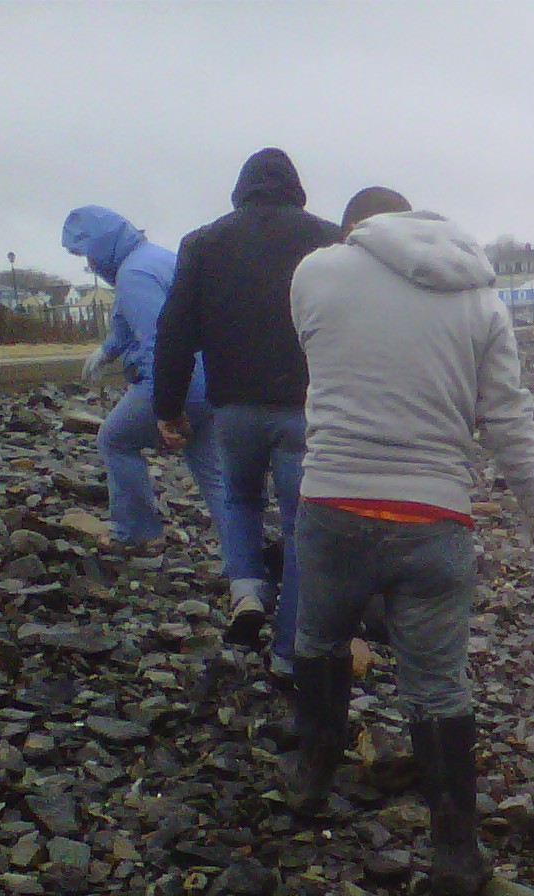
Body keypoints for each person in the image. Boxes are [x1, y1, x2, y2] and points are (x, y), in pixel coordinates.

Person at [286, 187, 534, 896]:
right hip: (434, 513)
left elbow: (317, 359)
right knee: (438, 684)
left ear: (359, 229)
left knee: (318, 637)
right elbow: (507, 419)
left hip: (334, 500)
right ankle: (455, 851)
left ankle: (312, 777)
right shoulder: (481, 301)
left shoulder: (316, 272)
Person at [154, 148, 341, 675]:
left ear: (242, 189)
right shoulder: (327, 239)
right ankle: (288, 653)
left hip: (233, 408)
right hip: (304, 410)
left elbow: (173, 332)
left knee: (239, 499)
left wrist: (168, 406)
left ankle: (248, 590)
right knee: (302, 525)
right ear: (295, 188)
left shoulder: (203, 243)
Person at [60, 206, 229, 561]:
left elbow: (159, 344)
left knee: (115, 440)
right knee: (213, 473)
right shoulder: (155, 260)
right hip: (211, 381)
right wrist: (107, 351)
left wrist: (169, 408)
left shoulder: (134, 275)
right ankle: (245, 559)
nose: (89, 264)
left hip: (178, 384)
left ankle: (136, 533)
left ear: (102, 244)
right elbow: (132, 322)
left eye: (88, 253)